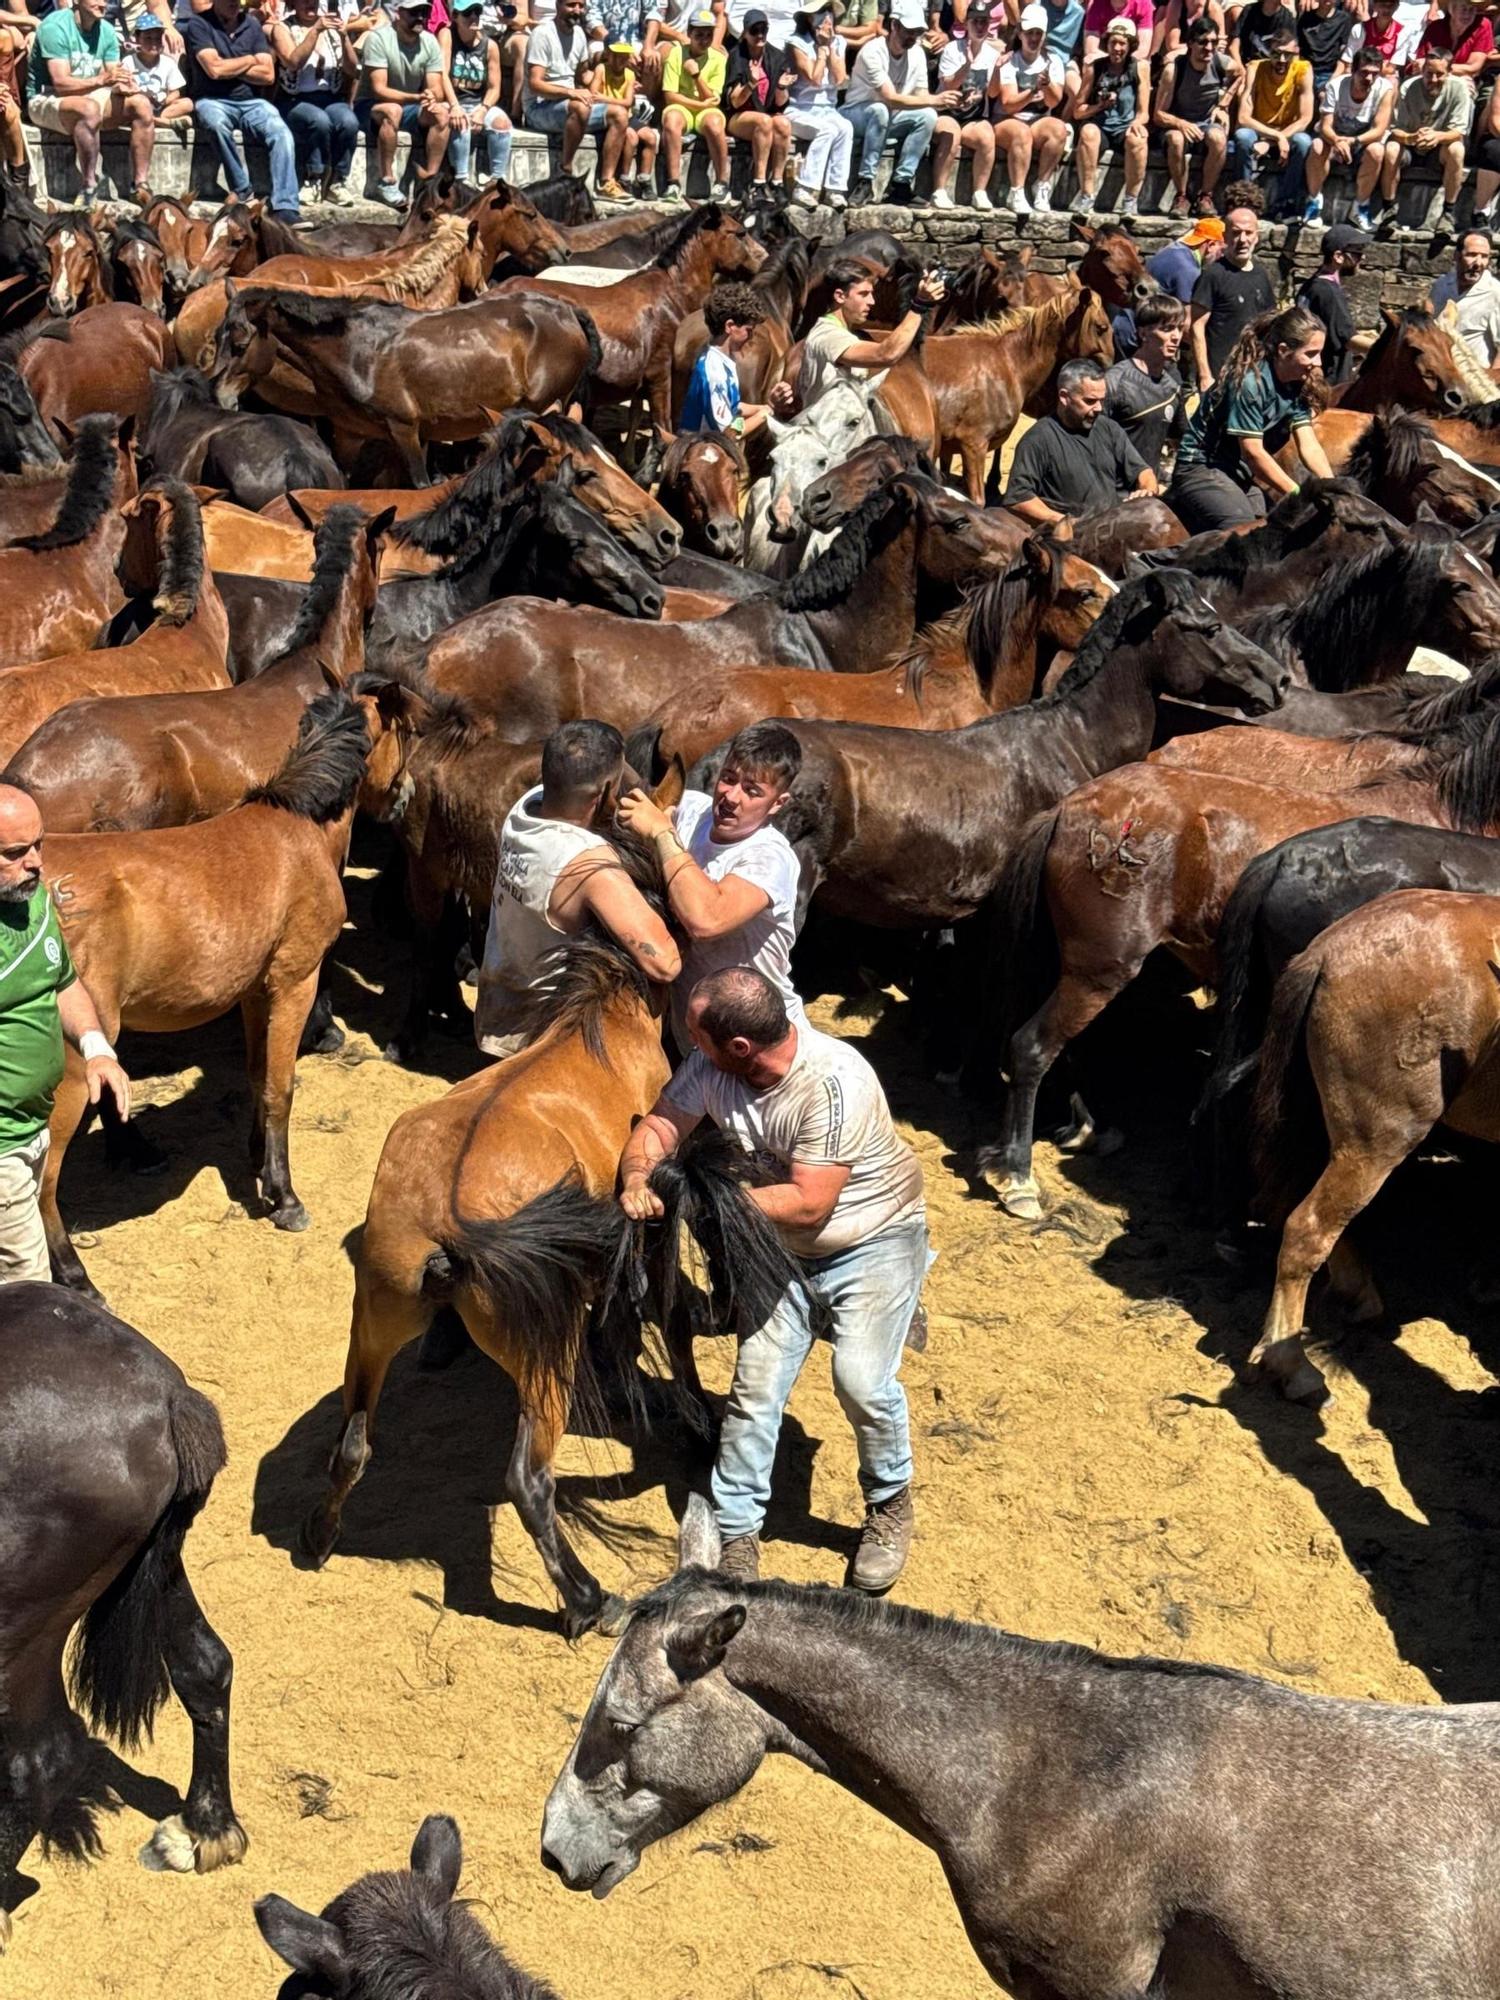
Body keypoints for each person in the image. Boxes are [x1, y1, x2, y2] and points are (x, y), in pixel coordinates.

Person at [618, 966, 927, 1592]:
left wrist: (699, 1200)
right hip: (779, 1251)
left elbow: (811, 1203)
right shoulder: (712, 1069)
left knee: (862, 1381)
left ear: (740, 1048)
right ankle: (737, 1535)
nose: (690, 1049)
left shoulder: (833, 1083)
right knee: (755, 1390)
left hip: (872, 1242)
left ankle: (889, 1501)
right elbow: (658, 1127)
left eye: (698, 1039)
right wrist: (636, 1175)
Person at [473, 720, 680, 1058]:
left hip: (496, 1011)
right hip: (542, 1037)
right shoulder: (588, 865)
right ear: (602, 795)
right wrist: (663, 834)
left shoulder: (524, 810)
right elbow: (665, 963)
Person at [0, 784, 130, 1287]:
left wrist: (96, 1049)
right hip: (3, 1148)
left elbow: (63, 980)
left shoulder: (29, 901)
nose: (35, 862)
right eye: (15, 853)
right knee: (30, 1296)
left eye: (39, 845)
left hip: (33, 1129)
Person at [619, 721, 805, 1046]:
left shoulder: (769, 858)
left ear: (778, 803)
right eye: (728, 779)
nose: (731, 797)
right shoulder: (692, 811)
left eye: (752, 791)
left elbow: (706, 919)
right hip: (695, 1037)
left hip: (755, 1035)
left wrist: (662, 832)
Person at [1168, 301, 1334, 530]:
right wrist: (1300, 494)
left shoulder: (1296, 385)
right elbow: (1254, 454)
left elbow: (1309, 446)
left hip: (1237, 475)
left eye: (1320, 354)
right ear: (1283, 350)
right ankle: (1157, 562)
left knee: (1279, 530)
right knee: (1245, 535)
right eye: (1311, 354)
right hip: (1201, 468)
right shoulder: (1250, 384)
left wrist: (1333, 489)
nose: (1318, 363)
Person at [28, 0, 157, 207]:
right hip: (47, 98)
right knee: (88, 108)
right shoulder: (55, 26)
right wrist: (102, 80)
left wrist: (123, 85)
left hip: (91, 95)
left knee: (141, 104)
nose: (102, 3)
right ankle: (89, 185)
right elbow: (61, 83)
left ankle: (140, 185)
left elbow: (112, 73)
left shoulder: (105, 30)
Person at [1004, 357, 1157, 528]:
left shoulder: (1109, 428)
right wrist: (1066, 522)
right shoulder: (1038, 439)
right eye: (1090, 401)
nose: (1099, 408)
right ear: (1064, 397)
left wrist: (1146, 490)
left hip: (1110, 530)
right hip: (1068, 541)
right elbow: (1018, 498)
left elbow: (1143, 471)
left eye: (1102, 400)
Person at [183, 0, 301, 221]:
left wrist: (228, 65)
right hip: (212, 99)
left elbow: (267, 75)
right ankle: (243, 190)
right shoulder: (199, 24)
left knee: (281, 132)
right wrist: (248, 60)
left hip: (250, 102)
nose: (234, 4)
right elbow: (214, 70)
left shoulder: (252, 25)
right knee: (215, 123)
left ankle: (286, 206)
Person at [784, 255, 944, 413]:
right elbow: (886, 354)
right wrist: (919, 305)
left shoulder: (841, 332)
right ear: (840, 296)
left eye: (871, 294)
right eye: (863, 294)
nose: (872, 302)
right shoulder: (827, 336)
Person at [840, 0, 953, 208]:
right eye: (909, 30)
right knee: (880, 109)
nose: (913, 36)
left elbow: (921, 96)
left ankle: (901, 184)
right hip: (856, 114)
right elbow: (889, 97)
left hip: (889, 116)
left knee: (927, 116)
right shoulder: (872, 51)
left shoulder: (918, 53)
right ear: (894, 26)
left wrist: (948, 103)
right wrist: (934, 99)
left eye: (917, 31)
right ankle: (866, 180)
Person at [357, 0, 453, 207]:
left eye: (424, 12)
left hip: (408, 106)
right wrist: (417, 98)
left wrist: (430, 96)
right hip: (370, 106)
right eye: (414, 12)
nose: (420, 17)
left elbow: (437, 88)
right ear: (399, 13)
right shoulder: (378, 39)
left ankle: (430, 181)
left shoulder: (429, 41)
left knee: (441, 114)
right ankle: (387, 181)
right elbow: (379, 89)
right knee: (392, 110)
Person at [524, 0, 629, 182]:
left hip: (568, 105)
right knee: (580, 107)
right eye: (571, 5)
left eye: (581, 6)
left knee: (619, 113)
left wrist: (615, 82)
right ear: (558, 6)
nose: (577, 10)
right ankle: (565, 170)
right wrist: (571, 92)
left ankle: (607, 181)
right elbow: (536, 84)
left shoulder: (580, 33)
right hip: (539, 108)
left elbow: (583, 75)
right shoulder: (542, 34)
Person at [271, 0, 359, 204]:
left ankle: (338, 180)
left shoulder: (332, 30)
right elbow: (294, 62)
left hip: (329, 97)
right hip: (294, 99)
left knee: (349, 122)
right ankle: (313, 178)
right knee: (319, 121)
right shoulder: (282, 29)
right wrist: (315, 31)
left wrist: (344, 37)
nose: (310, 3)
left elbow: (353, 70)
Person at [1378, 47, 1471, 238]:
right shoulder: (1408, 88)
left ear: (1449, 72)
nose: (1434, 80)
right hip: (1411, 146)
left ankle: (1448, 212)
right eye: (1429, 74)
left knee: (1457, 150)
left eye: (1440, 74)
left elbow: (1459, 131)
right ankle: (1388, 208)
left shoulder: (1459, 88)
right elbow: (1395, 128)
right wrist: (1411, 138)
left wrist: (1437, 136)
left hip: (1440, 148)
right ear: (1422, 71)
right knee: (1392, 148)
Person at [1152, 15, 1238, 218]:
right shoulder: (1174, 70)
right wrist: (1181, 124)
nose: (1209, 48)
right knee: (1176, 139)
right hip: (1177, 124)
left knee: (1218, 138)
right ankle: (1181, 196)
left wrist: (1223, 104)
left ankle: (1205, 196)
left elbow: (1241, 73)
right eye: (1203, 42)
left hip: (1206, 124)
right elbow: (1158, 114)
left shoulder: (1220, 62)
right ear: (1191, 43)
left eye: (1214, 42)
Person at [989, 1, 1068, 215]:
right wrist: (1033, 91)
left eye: (1038, 34)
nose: (1033, 38)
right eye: (1029, 33)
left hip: (1037, 119)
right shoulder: (1010, 61)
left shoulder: (1053, 61)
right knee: (1021, 132)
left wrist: (1047, 83)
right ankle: (1017, 191)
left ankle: (1042, 185)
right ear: (1020, 34)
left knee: (1059, 129)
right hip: (1007, 120)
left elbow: (1053, 102)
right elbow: (1007, 104)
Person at [1189, 194, 1274, 388]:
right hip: (1220, 377)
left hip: (1254, 377)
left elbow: (1270, 325)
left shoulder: (1261, 274)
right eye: (1236, 233)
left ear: (1256, 236)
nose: (1242, 240)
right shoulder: (1213, 275)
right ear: (1225, 236)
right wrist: (1204, 375)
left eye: (1248, 233)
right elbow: (1196, 326)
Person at [1303, 43, 1391, 228]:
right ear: (1353, 70)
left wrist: (1353, 141)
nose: (1369, 78)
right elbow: (1326, 125)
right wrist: (1336, 140)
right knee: (1317, 146)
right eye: (1364, 72)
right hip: (1334, 138)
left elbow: (1379, 130)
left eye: (1375, 73)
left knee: (1377, 151)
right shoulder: (1336, 86)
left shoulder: (1385, 89)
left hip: (1362, 142)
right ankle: (1314, 202)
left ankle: (1361, 207)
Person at [1231, 27, 1315, 218]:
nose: (1282, 61)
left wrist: (1273, 141)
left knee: (1303, 142)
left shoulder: (1303, 70)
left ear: (1297, 54)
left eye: (1288, 55)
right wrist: (1275, 137)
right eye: (1276, 54)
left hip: (1287, 133)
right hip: (1260, 130)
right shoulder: (1255, 67)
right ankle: (1243, 200)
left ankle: (1286, 203)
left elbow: (1305, 118)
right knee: (1243, 137)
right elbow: (1243, 118)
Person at [1070, 13, 1149, 214]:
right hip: (1101, 125)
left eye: (1122, 43)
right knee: (1087, 132)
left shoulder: (1139, 67)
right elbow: (1078, 111)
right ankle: (1087, 196)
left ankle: (1131, 200)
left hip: (1125, 126)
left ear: (1130, 45)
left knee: (1138, 139)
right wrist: (1099, 106)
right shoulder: (1094, 68)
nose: (1117, 48)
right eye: (1113, 42)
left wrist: (1137, 123)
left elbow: (1144, 112)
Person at [929, 0, 1003, 209]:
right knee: (951, 134)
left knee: (987, 136)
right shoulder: (952, 49)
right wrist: (968, 64)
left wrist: (997, 70)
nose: (980, 27)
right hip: (947, 112)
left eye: (984, 22)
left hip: (974, 115)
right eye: (975, 22)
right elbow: (949, 83)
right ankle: (939, 190)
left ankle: (979, 192)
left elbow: (994, 93)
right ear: (967, 24)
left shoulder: (992, 54)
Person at [1104, 294, 1185, 478]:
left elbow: (1181, 440)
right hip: (1113, 490)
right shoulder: (1115, 382)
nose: (1176, 337)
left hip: (1149, 492)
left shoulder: (1172, 388)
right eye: (1167, 329)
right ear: (1143, 333)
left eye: (1180, 329)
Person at [784, 2, 851, 207]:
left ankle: (835, 189)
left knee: (846, 128)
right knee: (828, 130)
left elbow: (839, 79)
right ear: (809, 18)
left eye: (829, 12)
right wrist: (821, 51)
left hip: (828, 109)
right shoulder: (796, 43)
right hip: (799, 109)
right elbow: (814, 77)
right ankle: (805, 187)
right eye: (821, 12)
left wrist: (829, 46)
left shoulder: (839, 41)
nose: (826, 18)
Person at [721, 9, 791, 204]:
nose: (760, 35)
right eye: (755, 30)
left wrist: (781, 86)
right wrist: (751, 83)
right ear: (745, 33)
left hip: (766, 114)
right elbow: (734, 101)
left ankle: (776, 182)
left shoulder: (776, 57)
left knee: (784, 124)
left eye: (764, 30)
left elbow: (780, 103)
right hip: (738, 117)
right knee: (764, 121)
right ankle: (758, 183)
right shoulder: (737, 56)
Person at [680, 280, 770, 432]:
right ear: (729, 326)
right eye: (748, 330)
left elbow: (732, 407)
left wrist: (763, 408)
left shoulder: (724, 361)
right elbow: (729, 431)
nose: (751, 337)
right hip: (701, 449)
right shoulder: (714, 371)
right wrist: (761, 416)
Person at [660, 7, 730, 203]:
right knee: (671, 120)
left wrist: (696, 74)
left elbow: (713, 98)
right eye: (699, 35)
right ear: (689, 34)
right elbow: (670, 96)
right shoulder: (676, 54)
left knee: (715, 124)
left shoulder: (718, 59)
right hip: (683, 107)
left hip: (707, 110)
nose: (704, 40)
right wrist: (699, 104)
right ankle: (673, 183)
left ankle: (722, 183)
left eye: (709, 35)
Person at [441, 0, 513, 182]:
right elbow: (442, 75)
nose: (473, 16)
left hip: (478, 103)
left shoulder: (490, 46)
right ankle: (461, 180)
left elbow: (495, 88)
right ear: (455, 16)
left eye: (477, 11)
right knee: (460, 124)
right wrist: (455, 106)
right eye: (467, 13)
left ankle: (497, 180)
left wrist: (483, 109)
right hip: (452, 101)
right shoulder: (447, 35)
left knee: (502, 123)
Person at [1294, 219, 1366, 381]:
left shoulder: (1312, 284)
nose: (1363, 258)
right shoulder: (1328, 292)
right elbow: (1349, 340)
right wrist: (1384, 348)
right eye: (1357, 253)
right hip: (1329, 380)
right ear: (1338, 256)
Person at [587, 35, 656, 196]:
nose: (621, 59)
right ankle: (624, 179)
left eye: (625, 56)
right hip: (611, 116)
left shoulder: (629, 75)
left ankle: (644, 179)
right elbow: (593, 95)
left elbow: (628, 102)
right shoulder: (601, 69)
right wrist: (614, 101)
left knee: (651, 137)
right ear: (608, 54)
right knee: (631, 137)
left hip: (628, 115)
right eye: (617, 55)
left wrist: (606, 98)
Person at [1431, 228, 1500, 365]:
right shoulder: (1442, 285)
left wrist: (1489, 382)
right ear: (1457, 256)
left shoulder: (1495, 292)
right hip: (1441, 372)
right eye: (1472, 254)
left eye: (1484, 256)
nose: (1478, 263)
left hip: (1472, 378)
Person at [126, 17, 194, 131]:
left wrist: (164, 100)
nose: (154, 43)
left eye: (157, 38)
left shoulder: (168, 62)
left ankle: (156, 119)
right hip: (138, 106)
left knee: (188, 103)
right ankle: (164, 122)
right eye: (148, 38)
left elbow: (176, 91)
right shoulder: (128, 61)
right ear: (137, 39)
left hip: (160, 106)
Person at [1417, 0, 1492, 83]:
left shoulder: (1482, 25)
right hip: (1429, 78)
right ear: (1451, 9)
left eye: (1472, 9)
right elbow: (1419, 62)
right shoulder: (1435, 28)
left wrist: (1434, 68)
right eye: (1463, 9)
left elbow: (1473, 68)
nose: (1467, 15)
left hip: (1461, 79)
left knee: (1464, 84)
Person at [1346, 0, 1421, 75]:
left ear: (1397, 6)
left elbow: (1391, 69)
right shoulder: (1359, 29)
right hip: (1360, 74)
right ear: (1374, 6)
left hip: (1385, 76)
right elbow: (1349, 61)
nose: (1386, 9)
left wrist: (1365, 65)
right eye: (1382, 5)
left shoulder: (1403, 32)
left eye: (1391, 5)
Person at [1296, 0, 1352, 96]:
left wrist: (1333, 79)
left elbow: (1345, 54)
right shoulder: (1305, 18)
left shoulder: (1344, 19)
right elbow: (1297, 48)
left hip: (1330, 72)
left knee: (1324, 95)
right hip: (1307, 69)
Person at [1230, 0, 1294, 65]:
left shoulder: (1287, 17)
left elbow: (1291, 52)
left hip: (1272, 69)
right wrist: (1242, 71)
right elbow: (1233, 48)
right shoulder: (1249, 11)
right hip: (1248, 65)